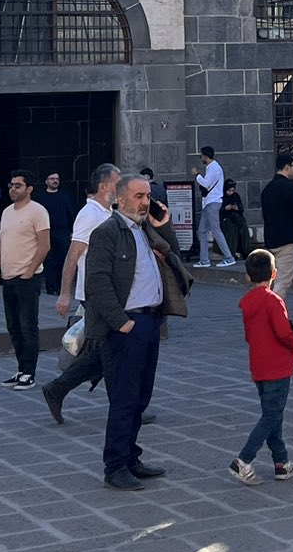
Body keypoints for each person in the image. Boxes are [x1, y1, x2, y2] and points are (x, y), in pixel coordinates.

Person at [85, 176, 192, 490]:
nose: (145, 202)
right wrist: (121, 322)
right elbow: (97, 282)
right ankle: (115, 464)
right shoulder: (107, 233)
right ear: (120, 199)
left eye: (148, 196)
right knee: (124, 397)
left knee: (141, 396)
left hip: (149, 322)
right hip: (126, 325)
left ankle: (131, 456)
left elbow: (171, 255)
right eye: (138, 196)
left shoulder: (145, 229)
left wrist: (163, 224)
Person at [44, 161, 123, 421]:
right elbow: (73, 254)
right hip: (96, 294)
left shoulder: (108, 213)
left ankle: (58, 388)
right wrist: (65, 293)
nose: (120, 186)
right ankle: (125, 407)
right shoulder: (89, 215)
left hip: (109, 292)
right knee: (113, 349)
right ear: (103, 186)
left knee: (107, 350)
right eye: (116, 182)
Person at [227, 248, 293, 486]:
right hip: (278, 365)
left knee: (273, 415)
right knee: (271, 415)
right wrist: (292, 343)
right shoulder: (274, 301)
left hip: (259, 365)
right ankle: (244, 459)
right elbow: (283, 332)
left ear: (248, 277)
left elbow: (250, 336)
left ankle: (281, 462)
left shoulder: (248, 303)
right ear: (274, 274)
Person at [0, 170, 52, 389]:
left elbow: (44, 245)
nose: (12, 189)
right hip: (8, 276)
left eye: (18, 185)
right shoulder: (6, 212)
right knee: (13, 326)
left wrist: (29, 271)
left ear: (29, 189)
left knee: (28, 326)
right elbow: (0, 244)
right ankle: (21, 369)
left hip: (28, 277)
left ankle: (29, 373)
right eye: (11, 185)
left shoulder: (38, 211)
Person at [260, 152, 293, 310]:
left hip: (271, 240)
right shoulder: (288, 188)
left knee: (273, 280)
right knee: (284, 281)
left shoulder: (267, 189)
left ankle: (280, 316)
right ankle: (273, 314)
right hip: (287, 240)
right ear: (286, 167)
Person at [192, 147, 236, 267]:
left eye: (201, 156)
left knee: (215, 230)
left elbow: (206, 184)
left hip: (212, 202)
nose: (201, 158)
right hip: (209, 202)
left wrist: (197, 175)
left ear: (206, 156)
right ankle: (204, 259)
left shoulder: (214, 168)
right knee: (202, 230)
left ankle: (229, 257)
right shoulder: (212, 168)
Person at [39, 171, 76, 296]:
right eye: (52, 178)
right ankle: (50, 287)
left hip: (63, 233)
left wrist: (72, 230)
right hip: (47, 232)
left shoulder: (64, 195)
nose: (55, 181)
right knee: (48, 261)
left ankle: (60, 287)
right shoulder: (41, 197)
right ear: (46, 181)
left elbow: (69, 212)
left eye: (57, 179)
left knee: (62, 260)